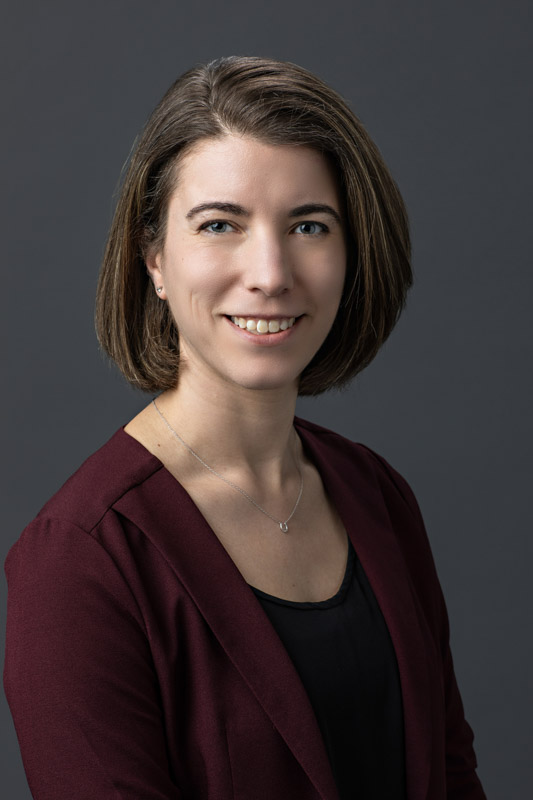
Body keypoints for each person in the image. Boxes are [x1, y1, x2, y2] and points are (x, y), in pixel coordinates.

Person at [4, 56, 486, 800]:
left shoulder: (377, 495)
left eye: (308, 225)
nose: (269, 272)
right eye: (220, 224)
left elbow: (451, 776)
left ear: (351, 252)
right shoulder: (82, 557)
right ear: (153, 258)